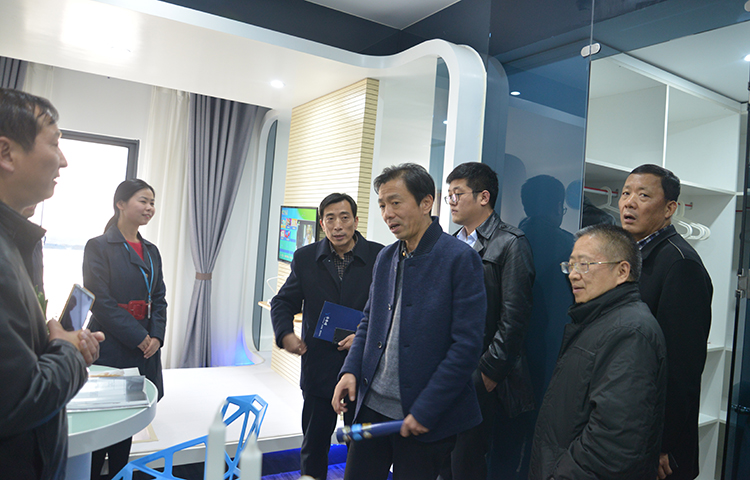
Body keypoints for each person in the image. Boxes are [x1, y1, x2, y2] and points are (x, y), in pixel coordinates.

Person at [332, 163, 486, 480]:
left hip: (423, 414)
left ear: (426, 202)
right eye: (382, 205)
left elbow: (466, 347)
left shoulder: (459, 258)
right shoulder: (386, 257)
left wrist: (428, 407)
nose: (387, 214)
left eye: (395, 202)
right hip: (372, 407)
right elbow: (369, 321)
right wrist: (350, 369)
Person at [0, 87, 105, 479]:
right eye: (55, 142)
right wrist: (67, 352)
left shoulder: (15, 243)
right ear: (6, 153)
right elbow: (17, 400)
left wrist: (53, 343)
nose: (63, 160)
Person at [529, 224, 667, 479]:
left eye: (584, 265)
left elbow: (613, 443)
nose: (573, 275)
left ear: (622, 271)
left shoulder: (630, 333)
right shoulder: (598, 320)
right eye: (570, 265)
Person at [271, 193, 383, 480]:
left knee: (362, 450)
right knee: (314, 447)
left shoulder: (380, 257)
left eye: (344, 217)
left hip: (363, 370)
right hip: (319, 369)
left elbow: (390, 311)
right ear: (321, 224)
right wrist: (285, 334)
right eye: (330, 219)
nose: (337, 225)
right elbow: (283, 302)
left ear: (356, 220)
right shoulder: (306, 258)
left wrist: (364, 336)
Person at [440, 162, 535, 480]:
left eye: (458, 194)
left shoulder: (510, 242)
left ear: (484, 197)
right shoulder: (450, 243)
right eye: (449, 195)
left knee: (467, 462)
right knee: (443, 461)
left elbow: (515, 316)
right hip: (448, 369)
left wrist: (488, 373)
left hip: (481, 373)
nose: (451, 201)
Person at [619, 164, 713, 480]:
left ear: (670, 208)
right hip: (628, 424)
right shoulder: (631, 255)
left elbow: (682, 367)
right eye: (625, 193)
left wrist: (662, 443)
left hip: (657, 447)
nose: (629, 202)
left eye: (643, 195)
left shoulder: (681, 264)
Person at [83, 178, 167, 479]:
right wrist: (140, 337)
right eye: (143, 201)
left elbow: (159, 298)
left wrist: (156, 337)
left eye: (152, 202)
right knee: (100, 426)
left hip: (143, 347)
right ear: (120, 204)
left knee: (126, 426)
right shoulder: (98, 246)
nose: (149, 208)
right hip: (110, 344)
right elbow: (100, 302)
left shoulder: (151, 250)